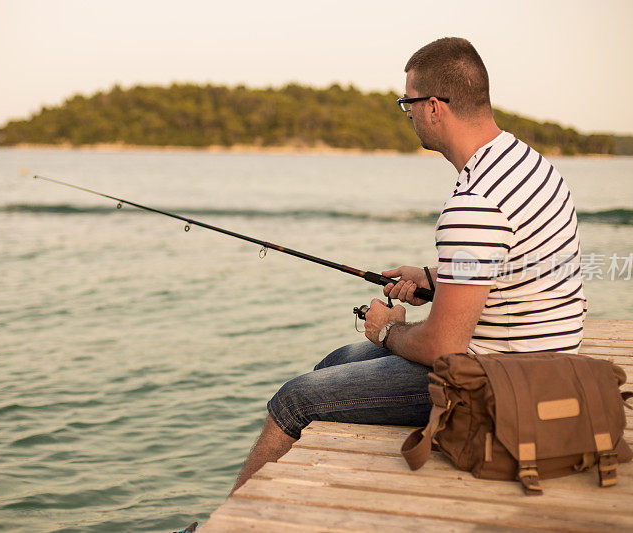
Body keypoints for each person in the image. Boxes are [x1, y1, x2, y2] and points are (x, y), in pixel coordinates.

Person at [230, 36, 586, 494]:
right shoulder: (529, 166)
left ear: (435, 107)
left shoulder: (473, 203)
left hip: (496, 387)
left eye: (409, 103)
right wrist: (435, 280)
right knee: (335, 363)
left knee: (292, 399)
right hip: (546, 365)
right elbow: (521, 265)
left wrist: (387, 329)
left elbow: (444, 346)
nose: (409, 114)